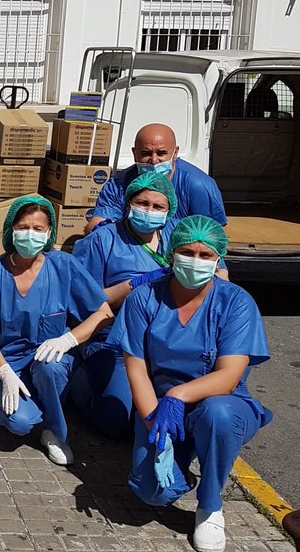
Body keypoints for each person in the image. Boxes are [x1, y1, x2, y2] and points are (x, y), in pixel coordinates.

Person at [111, 216, 273, 552]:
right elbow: (136, 369)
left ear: (218, 260)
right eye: (187, 251)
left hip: (218, 400)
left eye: (205, 255)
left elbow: (229, 376)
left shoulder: (236, 302)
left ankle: (211, 505)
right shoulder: (143, 299)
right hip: (159, 405)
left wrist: (178, 394)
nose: (195, 261)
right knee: (151, 492)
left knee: (219, 417)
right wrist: (154, 423)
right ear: (171, 253)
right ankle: (186, 462)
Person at [0, 196, 115, 465]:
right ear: (11, 230)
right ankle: (10, 407)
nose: (29, 235)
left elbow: (103, 313)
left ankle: (54, 433)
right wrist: (4, 372)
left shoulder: (63, 266)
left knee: (50, 368)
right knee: (19, 423)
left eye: (37, 229)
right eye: (23, 227)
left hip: (51, 357)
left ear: (49, 234)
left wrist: (69, 339)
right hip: (10, 361)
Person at [67, 172, 181, 439]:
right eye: (142, 203)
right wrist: (133, 285)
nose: (149, 211)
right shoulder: (103, 239)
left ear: (169, 210)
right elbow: (84, 301)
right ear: (128, 203)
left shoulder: (177, 237)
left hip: (164, 339)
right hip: (113, 340)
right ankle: (75, 383)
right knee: (117, 419)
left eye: (157, 206)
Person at [85, 123, 226, 234]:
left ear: (175, 153)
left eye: (161, 153)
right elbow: (96, 225)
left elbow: (213, 235)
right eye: (146, 153)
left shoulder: (199, 185)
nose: (153, 160)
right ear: (134, 153)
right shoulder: (118, 185)